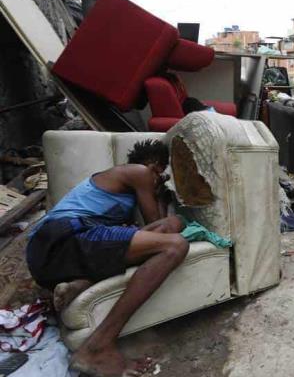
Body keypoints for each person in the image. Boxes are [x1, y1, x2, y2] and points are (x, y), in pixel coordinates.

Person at [26, 139, 188, 377]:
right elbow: (155, 221)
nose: (158, 178)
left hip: (48, 255)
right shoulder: (139, 172)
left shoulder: (123, 186)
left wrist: (162, 201)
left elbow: (153, 231)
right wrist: (160, 194)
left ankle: (81, 283)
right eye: (159, 173)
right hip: (65, 236)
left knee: (169, 229)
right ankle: (97, 346)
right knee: (175, 245)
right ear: (153, 164)